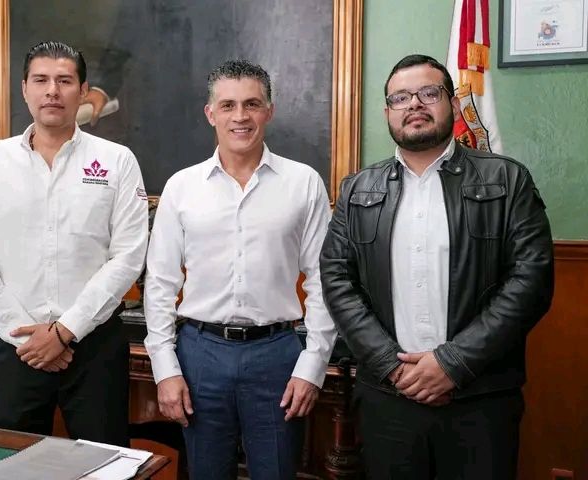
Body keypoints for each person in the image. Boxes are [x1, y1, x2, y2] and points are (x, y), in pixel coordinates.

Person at [320, 53, 554, 479]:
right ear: (387, 112)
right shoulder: (356, 190)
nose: (414, 104)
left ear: (452, 103)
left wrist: (453, 363)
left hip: (480, 401)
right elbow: (337, 280)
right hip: (387, 400)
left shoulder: (507, 180)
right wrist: (392, 366)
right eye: (400, 97)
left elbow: (531, 281)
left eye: (429, 93)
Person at [144, 59, 337, 479]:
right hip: (199, 355)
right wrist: (165, 370)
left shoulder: (303, 183)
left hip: (277, 355)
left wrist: (312, 366)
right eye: (228, 105)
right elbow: (159, 285)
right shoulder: (182, 187)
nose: (240, 116)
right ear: (210, 113)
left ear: (269, 111)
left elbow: (325, 282)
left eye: (252, 104)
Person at [0, 41, 148, 445]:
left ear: (84, 91)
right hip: (16, 345)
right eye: (41, 80)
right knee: (11, 465)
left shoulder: (117, 160)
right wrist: (29, 338)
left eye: (64, 81)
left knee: (105, 465)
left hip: (95, 347)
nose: (52, 91)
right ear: (24, 89)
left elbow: (128, 256)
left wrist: (64, 332)